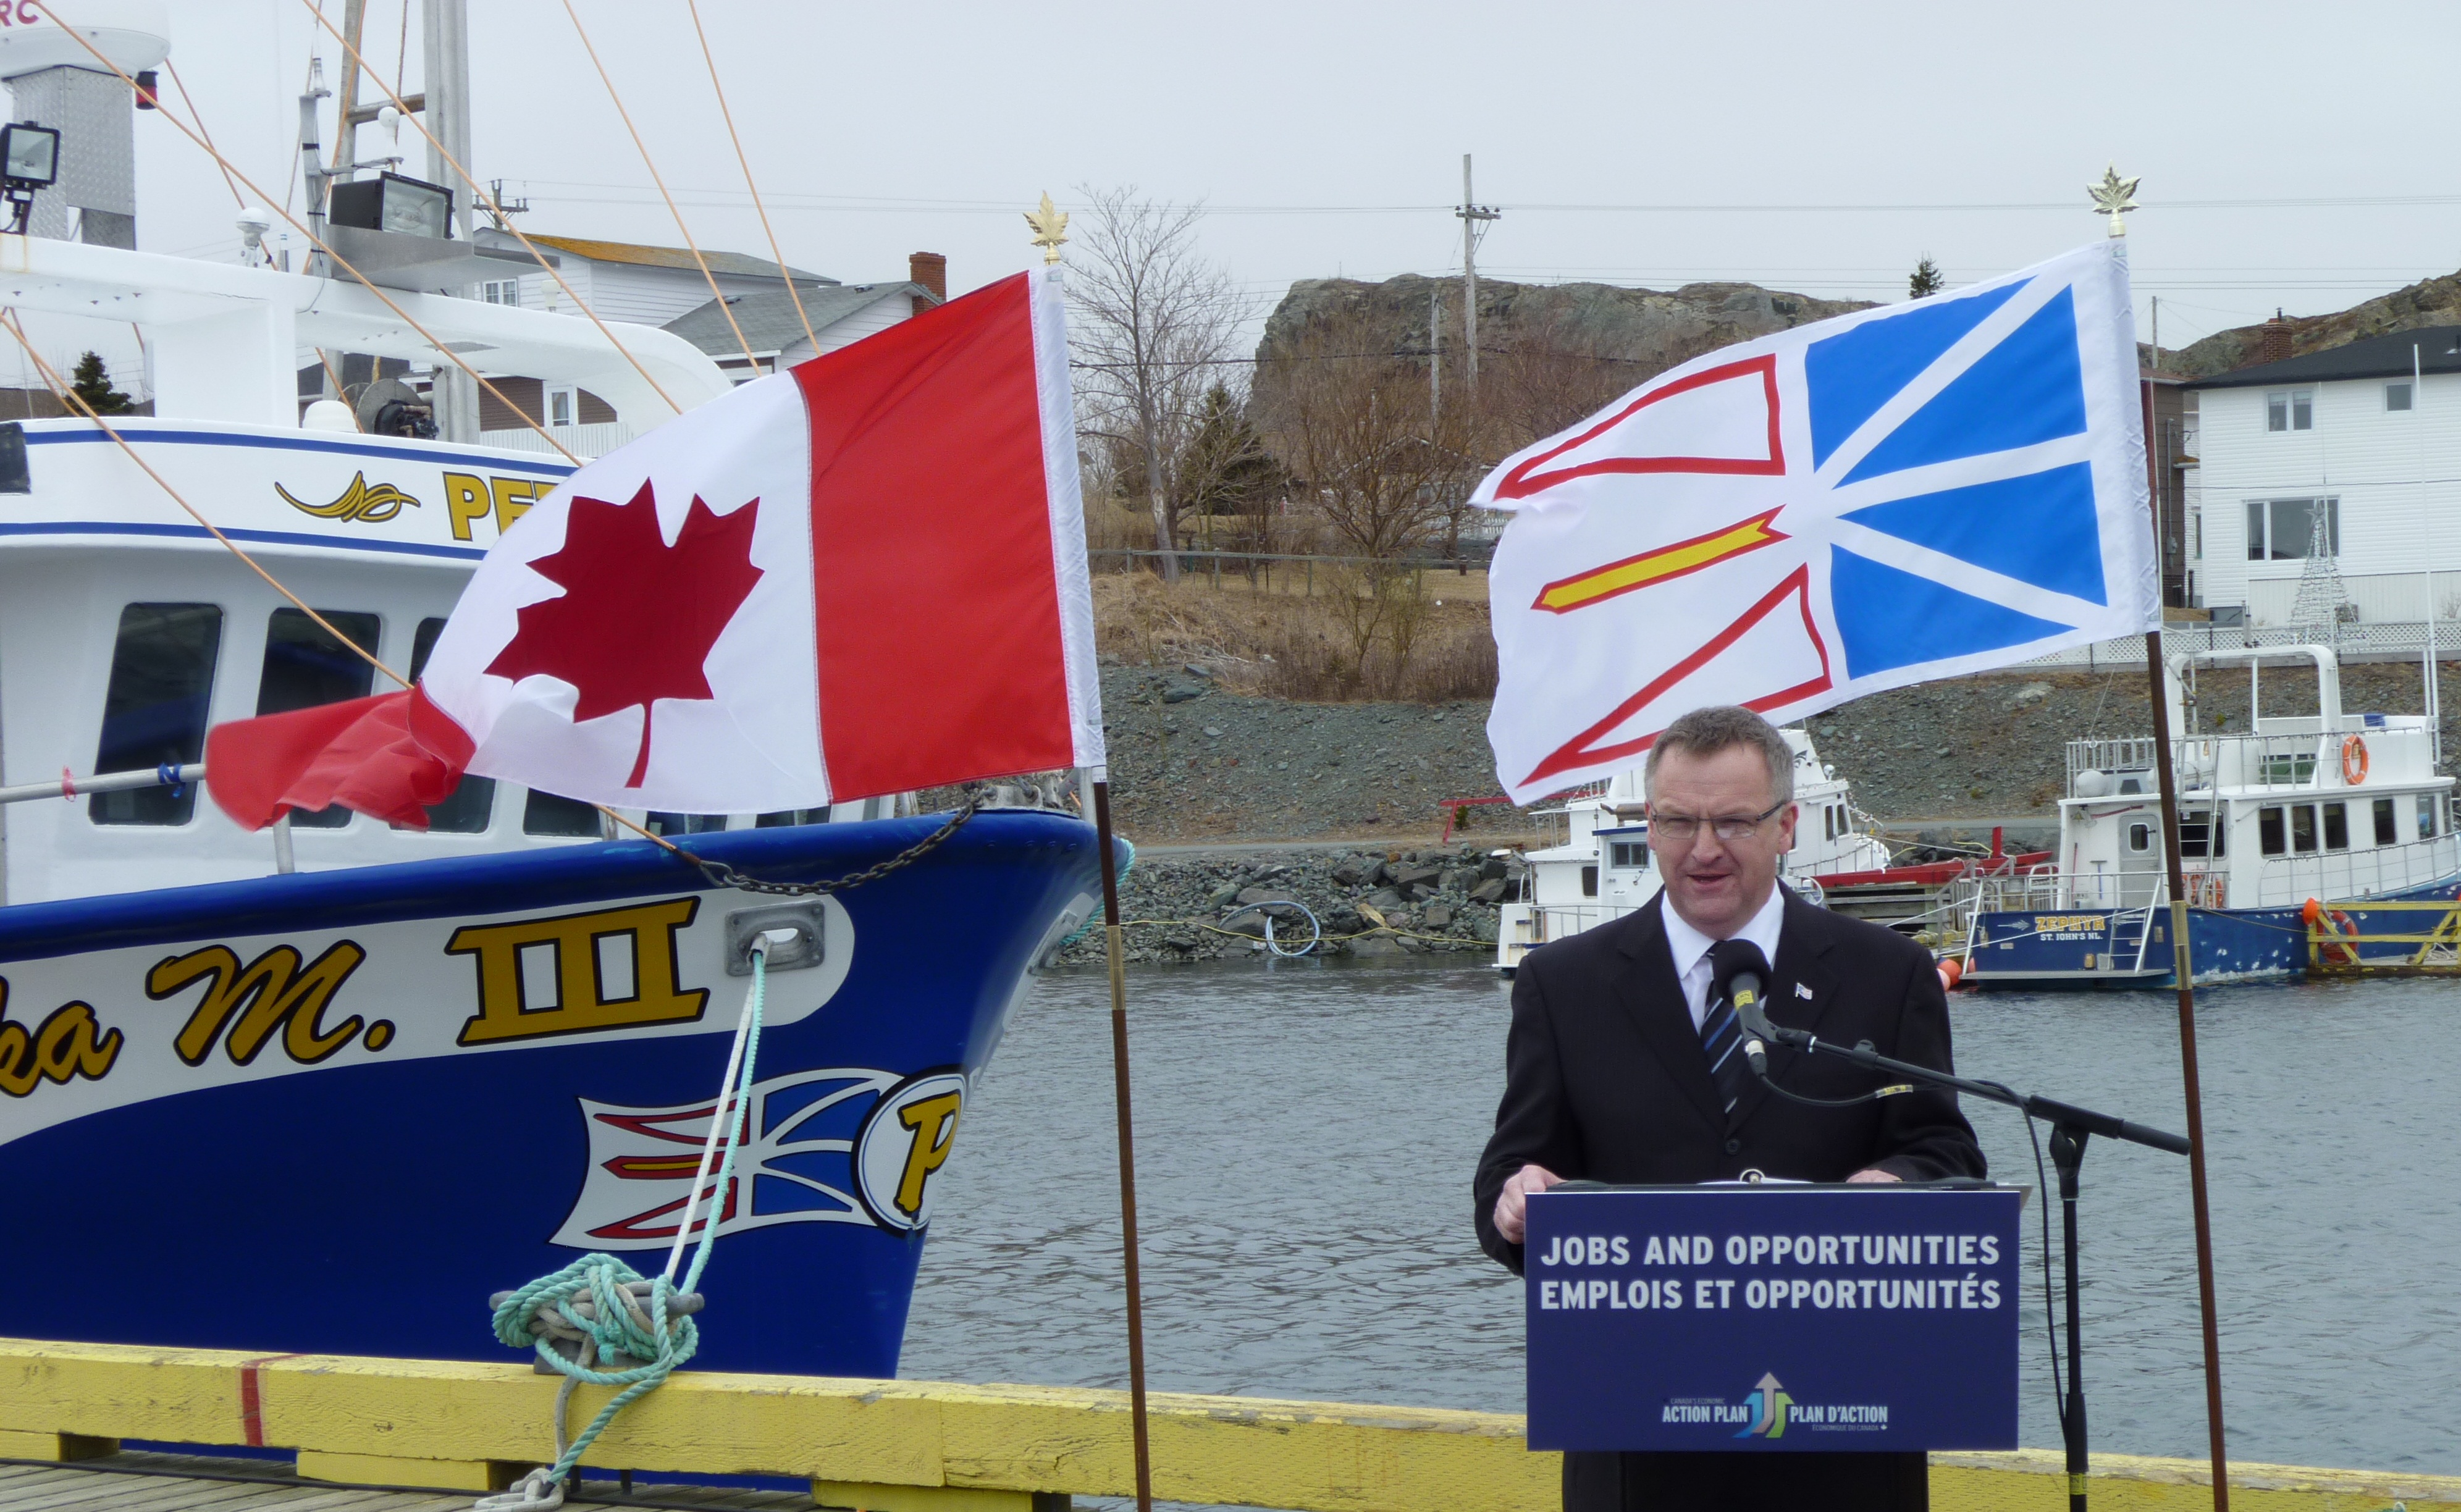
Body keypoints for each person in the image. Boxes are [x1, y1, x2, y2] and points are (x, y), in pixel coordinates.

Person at [1473, 705, 1985, 1512]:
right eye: (1677, 823)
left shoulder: (1888, 974)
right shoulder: (1564, 985)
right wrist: (1514, 1203)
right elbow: (1512, 1170)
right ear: (1650, 822)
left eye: (1734, 823)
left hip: (1844, 1447)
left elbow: (1946, 1154)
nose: (1703, 850)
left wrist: (1895, 1186)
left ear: (1786, 827)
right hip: (1640, 1452)